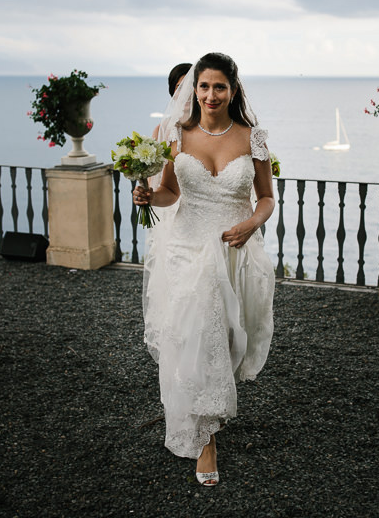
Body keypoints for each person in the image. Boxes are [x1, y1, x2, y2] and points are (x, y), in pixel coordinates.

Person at [134, 52, 275, 487]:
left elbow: (267, 198)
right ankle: (206, 437)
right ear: (192, 90)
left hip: (234, 249)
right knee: (196, 332)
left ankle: (209, 403)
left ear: (233, 90)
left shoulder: (254, 138)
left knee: (227, 338)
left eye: (219, 86)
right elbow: (170, 193)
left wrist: (251, 224)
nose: (210, 95)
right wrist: (147, 197)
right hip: (186, 249)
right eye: (203, 86)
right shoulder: (177, 135)